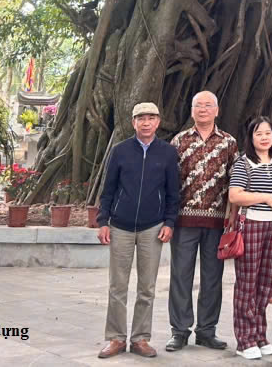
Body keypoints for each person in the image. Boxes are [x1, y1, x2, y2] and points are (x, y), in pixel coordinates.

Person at [95, 102, 181, 359]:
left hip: (152, 227)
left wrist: (169, 222)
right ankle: (116, 338)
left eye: (151, 118)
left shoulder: (168, 153)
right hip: (120, 226)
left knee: (147, 287)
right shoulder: (120, 151)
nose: (146, 122)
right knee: (117, 286)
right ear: (133, 122)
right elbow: (108, 190)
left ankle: (141, 338)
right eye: (141, 118)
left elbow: (173, 192)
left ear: (158, 122)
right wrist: (103, 221)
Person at [167, 91, 238, 352]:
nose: (203, 109)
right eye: (198, 105)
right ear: (192, 110)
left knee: (212, 278)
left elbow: (235, 182)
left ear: (217, 110)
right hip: (183, 221)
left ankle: (207, 331)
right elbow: (170, 181)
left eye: (208, 105)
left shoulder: (229, 142)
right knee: (180, 276)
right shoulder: (179, 141)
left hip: (217, 222)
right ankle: (179, 331)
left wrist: (232, 217)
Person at [229, 116, 272, 360]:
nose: (264, 137)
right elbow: (235, 195)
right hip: (251, 224)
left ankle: (260, 334)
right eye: (258, 133)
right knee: (247, 282)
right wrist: (264, 197)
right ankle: (244, 339)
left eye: (268, 133)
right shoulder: (244, 163)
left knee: (265, 282)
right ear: (251, 138)